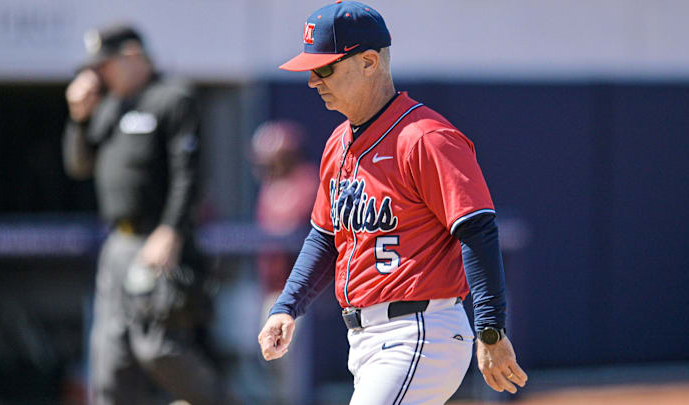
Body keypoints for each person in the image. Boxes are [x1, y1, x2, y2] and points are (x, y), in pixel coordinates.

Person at [257, 2, 528, 404]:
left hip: (419, 330)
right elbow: (323, 237)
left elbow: (477, 228)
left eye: (325, 68)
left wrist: (490, 329)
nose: (313, 80)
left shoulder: (426, 137)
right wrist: (287, 306)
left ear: (369, 62)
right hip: (366, 340)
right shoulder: (338, 144)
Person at [62, 24, 222, 405]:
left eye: (106, 64)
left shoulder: (171, 97)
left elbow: (190, 175)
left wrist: (171, 231)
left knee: (158, 348)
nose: (98, 74)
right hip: (117, 242)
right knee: (109, 358)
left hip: (157, 241)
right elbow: (79, 165)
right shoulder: (110, 106)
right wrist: (79, 118)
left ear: (133, 55)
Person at [250, 121, 318, 404]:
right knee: (269, 363)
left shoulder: (307, 182)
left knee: (294, 368)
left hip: (306, 294)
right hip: (270, 290)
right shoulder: (268, 188)